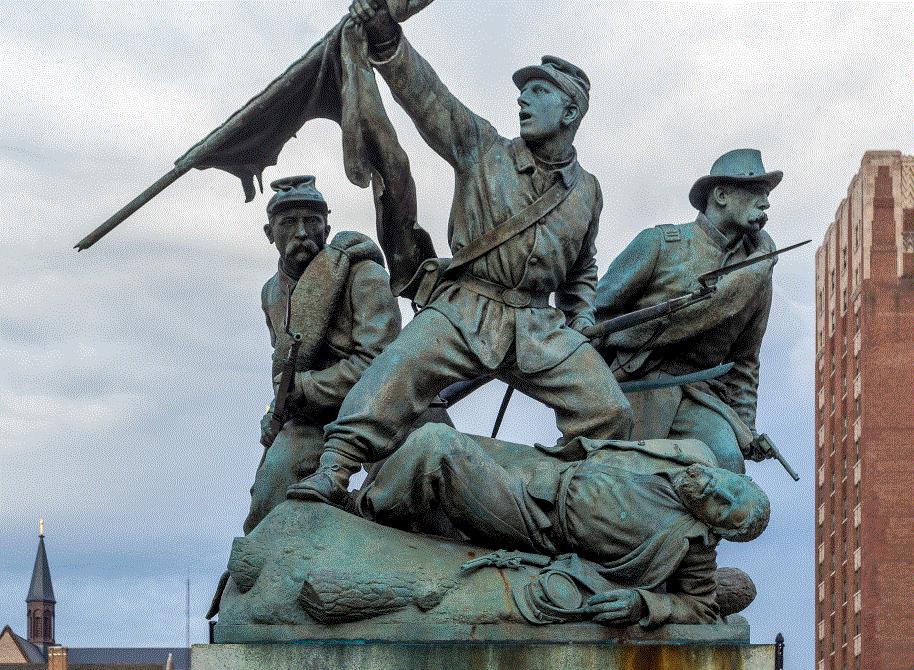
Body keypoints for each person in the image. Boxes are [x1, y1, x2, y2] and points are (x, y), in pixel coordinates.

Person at [288, 0, 633, 506]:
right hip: (464, 309)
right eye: (522, 92)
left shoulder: (587, 191)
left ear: (570, 110)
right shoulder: (482, 147)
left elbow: (581, 269)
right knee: (391, 377)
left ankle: (573, 497)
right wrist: (385, 36)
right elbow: (429, 97)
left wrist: (579, 317)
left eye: (538, 92)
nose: (523, 101)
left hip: (537, 327)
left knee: (611, 412)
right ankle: (334, 469)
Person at [356, 423, 770, 627]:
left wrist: (644, 603)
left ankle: (361, 518)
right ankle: (381, 504)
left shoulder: (693, 544)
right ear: (741, 475)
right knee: (404, 441)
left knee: (435, 446)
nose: (717, 490)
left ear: (716, 528)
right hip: (539, 468)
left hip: (535, 519)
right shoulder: (692, 452)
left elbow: (701, 607)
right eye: (732, 487)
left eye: (722, 507)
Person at [595, 149, 783, 473]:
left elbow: (744, 361)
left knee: (728, 468)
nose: (765, 204)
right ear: (721, 195)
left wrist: (747, 429)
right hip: (636, 382)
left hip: (700, 395)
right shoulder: (661, 244)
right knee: (622, 479)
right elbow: (594, 315)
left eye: (766, 196)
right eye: (756, 193)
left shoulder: (757, 276)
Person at [243, 175, 401, 533]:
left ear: (327, 227)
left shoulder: (365, 275)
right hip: (313, 417)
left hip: (381, 411)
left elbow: (384, 365)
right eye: (288, 223)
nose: (301, 232)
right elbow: (282, 369)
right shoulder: (272, 292)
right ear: (271, 233)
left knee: (396, 507)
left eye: (312, 222)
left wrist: (306, 387)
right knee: (267, 502)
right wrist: (275, 410)